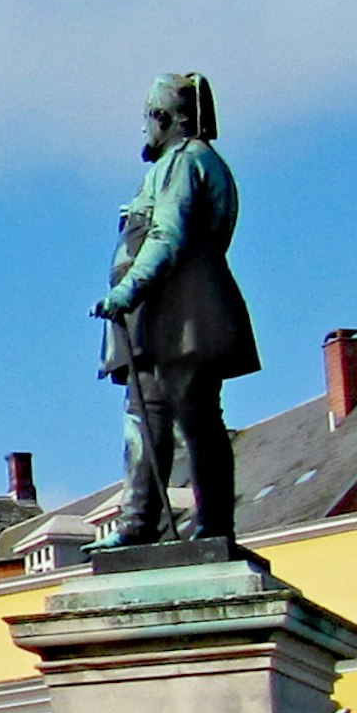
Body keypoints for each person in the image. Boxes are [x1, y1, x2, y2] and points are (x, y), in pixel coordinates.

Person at [94, 71, 260, 548]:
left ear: (163, 118)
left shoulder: (181, 164)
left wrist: (128, 292)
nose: (145, 129)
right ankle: (142, 522)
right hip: (168, 319)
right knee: (155, 418)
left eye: (148, 118)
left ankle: (198, 524)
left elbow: (168, 235)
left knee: (188, 420)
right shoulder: (190, 162)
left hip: (181, 317)